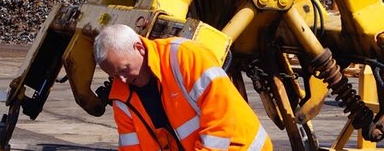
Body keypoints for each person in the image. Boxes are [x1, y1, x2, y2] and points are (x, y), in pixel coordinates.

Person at [93, 24, 273, 151]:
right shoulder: (121, 98)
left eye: (124, 69)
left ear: (139, 47)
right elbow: (132, 148)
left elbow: (220, 122)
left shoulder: (186, 57)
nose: (122, 80)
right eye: (114, 75)